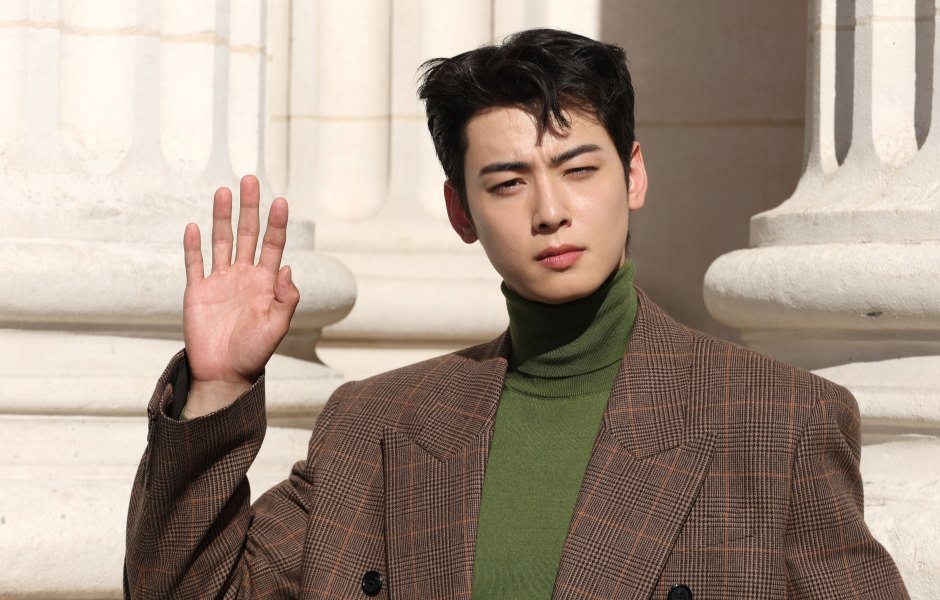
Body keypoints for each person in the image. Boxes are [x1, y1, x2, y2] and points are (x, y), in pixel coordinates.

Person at [124, 29, 909, 599]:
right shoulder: (376, 425)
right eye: (506, 183)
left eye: (579, 169)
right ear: (460, 212)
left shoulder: (780, 421)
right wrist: (219, 385)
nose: (551, 211)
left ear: (632, 176)